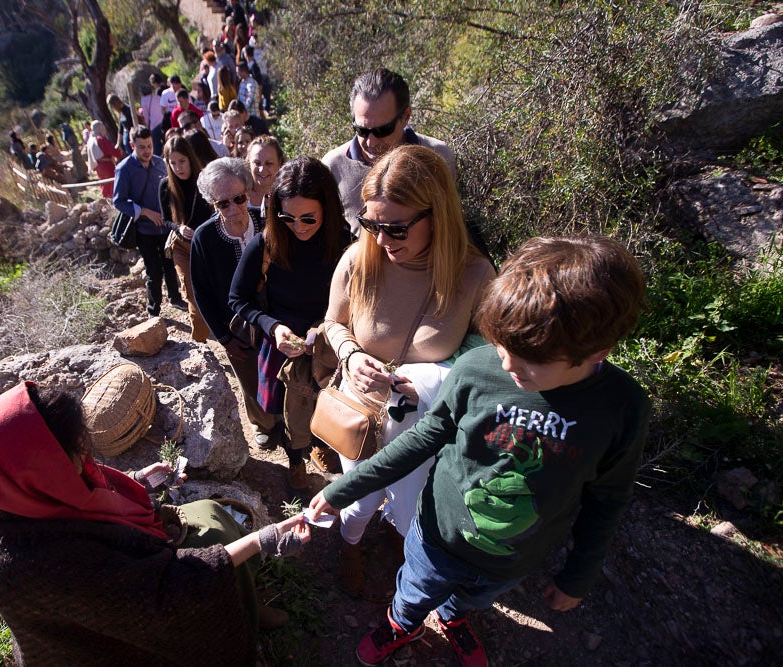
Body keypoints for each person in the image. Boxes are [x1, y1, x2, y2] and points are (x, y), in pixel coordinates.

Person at [311, 234, 650, 666]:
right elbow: (422, 438)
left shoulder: (621, 408)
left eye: (529, 359)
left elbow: (608, 500)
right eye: (503, 347)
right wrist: (344, 489)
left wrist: (578, 577)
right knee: (415, 589)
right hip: (436, 536)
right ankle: (402, 623)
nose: (508, 365)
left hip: (512, 560)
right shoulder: (478, 368)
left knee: (472, 598)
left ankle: (453, 618)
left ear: (597, 351)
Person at [0, 381, 310, 665]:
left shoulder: (8, 493)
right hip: (107, 642)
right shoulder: (37, 566)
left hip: (114, 588)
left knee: (212, 515)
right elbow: (165, 594)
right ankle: (243, 614)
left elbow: (81, 504)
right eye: (75, 452)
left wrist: (137, 482)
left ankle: (246, 603)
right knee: (219, 548)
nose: (86, 458)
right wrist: (262, 540)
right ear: (41, 469)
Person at [317, 145, 495, 596]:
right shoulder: (360, 259)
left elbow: (487, 355)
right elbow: (333, 323)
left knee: (416, 505)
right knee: (359, 501)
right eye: (370, 224)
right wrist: (352, 357)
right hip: (363, 412)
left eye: (396, 228)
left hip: (428, 425)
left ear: (437, 214)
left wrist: (433, 379)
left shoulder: (474, 275)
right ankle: (350, 544)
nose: (381, 240)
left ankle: (407, 559)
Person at [228, 157, 351, 489]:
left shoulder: (344, 244)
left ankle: (322, 445)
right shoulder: (267, 243)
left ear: (328, 208)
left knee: (328, 406)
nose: (298, 227)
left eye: (309, 217)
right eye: (287, 217)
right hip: (282, 348)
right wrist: (272, 326)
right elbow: (238, 299)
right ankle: (296, 461)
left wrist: (327, 329)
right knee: (286, 410)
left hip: (330, 346)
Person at [190, 157, 280, 450]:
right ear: (213, 203)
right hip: (236, 327)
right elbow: (201, 292)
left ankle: (289, 422)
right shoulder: (204, 238)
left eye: (239, 198)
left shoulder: (267, 221)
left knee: (286, 374)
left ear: (248, 190)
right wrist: (224, 337)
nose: (233, 208)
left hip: (277, 318)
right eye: (222, 203)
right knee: (249, 378)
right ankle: (262, 425)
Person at [322, 68, 458, 235]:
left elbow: (449, 223)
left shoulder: (438, 156)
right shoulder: (333, 166)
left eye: (382, 130)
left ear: (406, 116)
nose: (370, 141)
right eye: (361, 130)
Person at [113, 126, 187, 316]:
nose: (146, 151)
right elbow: (119, 201)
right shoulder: (124, 169)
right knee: (153, 271)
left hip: (165, 228)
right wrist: (144, 212)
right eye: (141, 147)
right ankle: (153, 310)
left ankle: (175, 299)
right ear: (132, 146)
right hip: (144, 230)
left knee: (170, 264)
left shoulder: (160, 164)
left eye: (149, 146)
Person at [160, 135, 213, 341]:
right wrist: (178, 227)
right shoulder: (166, 186)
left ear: (190, 158)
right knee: (192, 296)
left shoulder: (204, 181)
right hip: (181, 246)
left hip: (207, 246)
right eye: (173, 163)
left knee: (213, 293)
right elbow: (165, 219)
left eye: (182, 161)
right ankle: (200, 345)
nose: (178, 167)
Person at [86, 120, 123, 198]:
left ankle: (107, 200)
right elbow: (112, 151)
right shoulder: (100, 139)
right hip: (106, 165)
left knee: (105, 184)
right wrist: (118, 151)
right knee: (111, 184)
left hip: (99, 166)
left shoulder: (91, 139)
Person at [246, 135, 284, 207]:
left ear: (280, 163)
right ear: (249, 163)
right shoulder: (239, 198)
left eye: (269, 163)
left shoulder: (287, 199)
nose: (262, 169)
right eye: (257, 163)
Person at [141, 74, 167, 155]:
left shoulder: (144, 100)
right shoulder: (156, 96)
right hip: (163, 121)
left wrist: (146, 126)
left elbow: (145, 115)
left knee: (156, 145)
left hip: (154, 125)